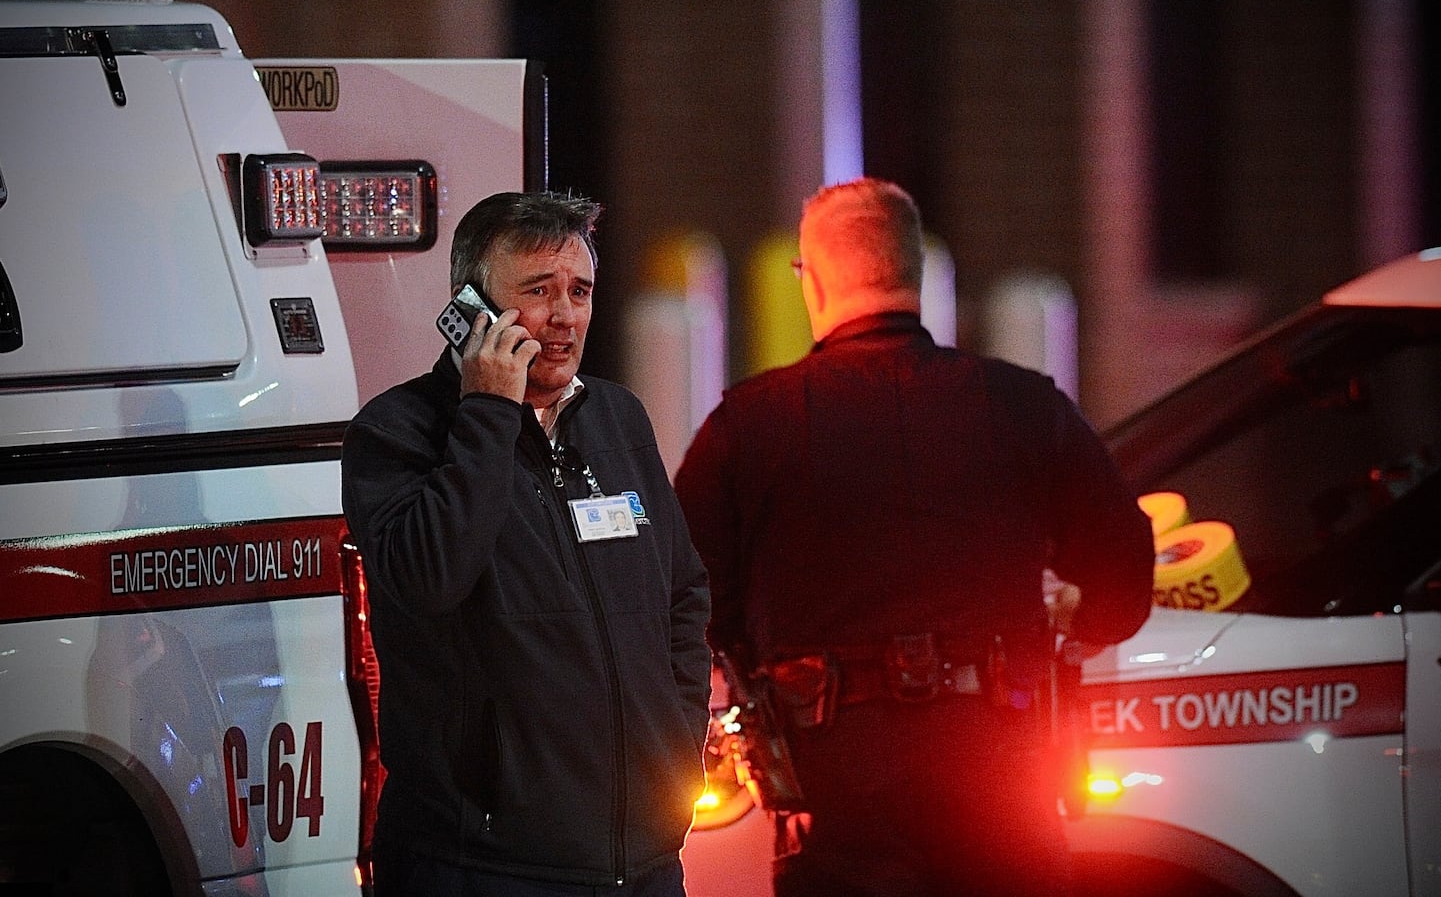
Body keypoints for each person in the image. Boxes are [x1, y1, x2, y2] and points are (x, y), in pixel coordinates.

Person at [673, 177, 1155, 897]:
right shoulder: (1022, 405)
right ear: (913, 272)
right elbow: (1124, 575)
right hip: (1001, 768)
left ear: (813, 277)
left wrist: (752, 654)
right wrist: (1072, 622)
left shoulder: (748, 424)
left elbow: (681, 593)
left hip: (836, 784)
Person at [341, 191, 711, 897]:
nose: (565, 315)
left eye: (579, 290)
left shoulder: (617, 417)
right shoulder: (394, 432)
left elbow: (683, 596)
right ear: (469, 309)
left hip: (644, 866)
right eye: (538, 292)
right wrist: (486, 410)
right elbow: (427, 579)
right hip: (478, 866)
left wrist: (675, 751)